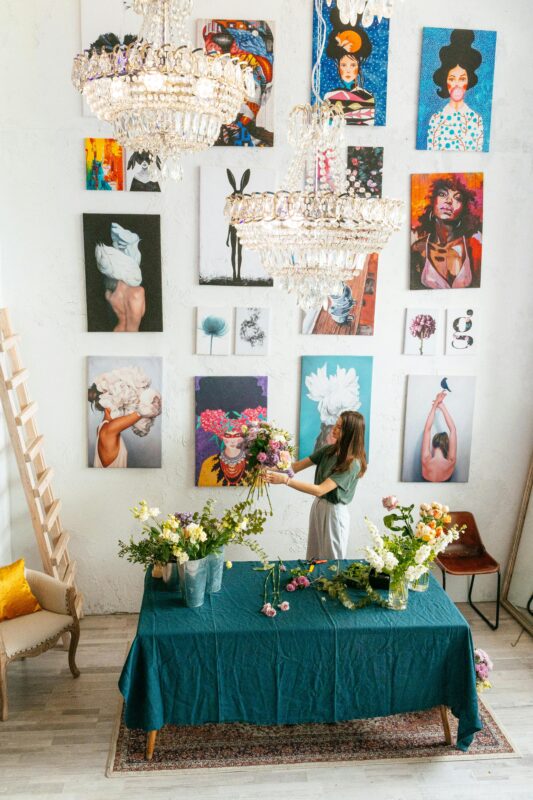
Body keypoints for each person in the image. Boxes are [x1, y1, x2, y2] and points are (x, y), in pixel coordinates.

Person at [264, 410, 366, 559]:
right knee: (314, 555)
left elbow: (320, 490)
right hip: (318, 506)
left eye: (339, 427)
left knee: (332, 560)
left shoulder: (352, 464)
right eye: (335, 425)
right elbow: (294, 467)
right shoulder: (328, 451)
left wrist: (285, 480)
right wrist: (264, 466)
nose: (334, 429)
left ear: (350, 433)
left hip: (334, 513)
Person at [410, 175, 482, 289]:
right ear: (432, 202)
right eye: (442, 194)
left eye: (457, 198)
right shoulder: (418, 249)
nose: (449, 201)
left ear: (465, 208)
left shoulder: (473, 246)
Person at [427, 29, 484, 151]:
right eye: (452, 79)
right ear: (445, 81)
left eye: (462, 79)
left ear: (468, 81)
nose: (457, 84)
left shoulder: (476, 120)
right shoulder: (436, 119)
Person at [323, 10, 374, 125]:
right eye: (344, 65)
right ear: (338, 65)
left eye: (352, 65)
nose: (348, 70)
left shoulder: (368, 97)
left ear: (359, 66)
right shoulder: (329, 97)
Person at [421, 391, 457, 482]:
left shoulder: (426, 460)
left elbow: (427, 430)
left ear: (433, 444)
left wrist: (436, 403)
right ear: (446, 446)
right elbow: (453, 429)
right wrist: (442, 407)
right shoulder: (451, 462)